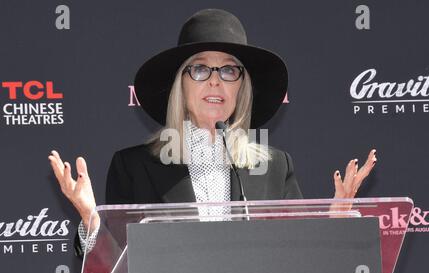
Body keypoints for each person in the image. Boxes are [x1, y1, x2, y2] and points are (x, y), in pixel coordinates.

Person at [48, 9, 377, 257]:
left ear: (241, 87)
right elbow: (112, 269)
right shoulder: (133, 166)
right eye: (201, 68)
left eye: (229, 69)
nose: (216, 80)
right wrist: (93, 221)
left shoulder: (276, 166)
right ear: (181, 83)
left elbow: (301, 259)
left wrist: (335, 227)